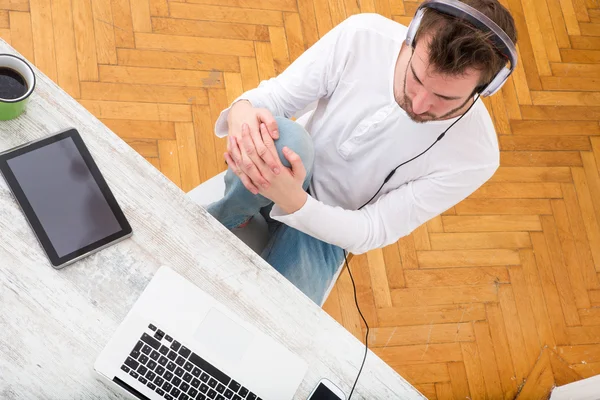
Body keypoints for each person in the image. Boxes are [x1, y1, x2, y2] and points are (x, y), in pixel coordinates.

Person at [207, 0, 518, 305]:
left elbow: (373, 229)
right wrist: (242, 109)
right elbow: (272, 99)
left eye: (444, 97)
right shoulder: (363, 35)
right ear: (410, 39)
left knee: (276, 321)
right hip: (286, 165)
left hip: (334, 229)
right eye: (417, 78)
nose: (419, 104)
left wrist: (294, 202)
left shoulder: (477, 155)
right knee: (285, 137)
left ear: (487, 87)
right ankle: (224, 219)